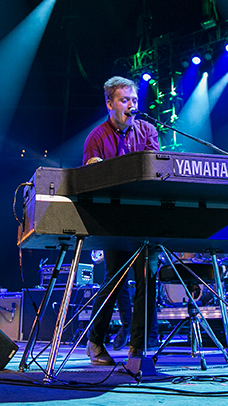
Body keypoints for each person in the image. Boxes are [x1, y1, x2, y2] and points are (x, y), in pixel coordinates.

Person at [84, 76, 160, 365]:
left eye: (134, 100)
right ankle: (95, 341)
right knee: (114, 281)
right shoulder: (96, 137)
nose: (131, 105)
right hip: (113, 219)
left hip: (145, 217)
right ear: (110, 104)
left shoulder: (148, 130)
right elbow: (90, 182)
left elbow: (154, 172)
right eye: (124, 100)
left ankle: (137, 349)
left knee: (147, 279)